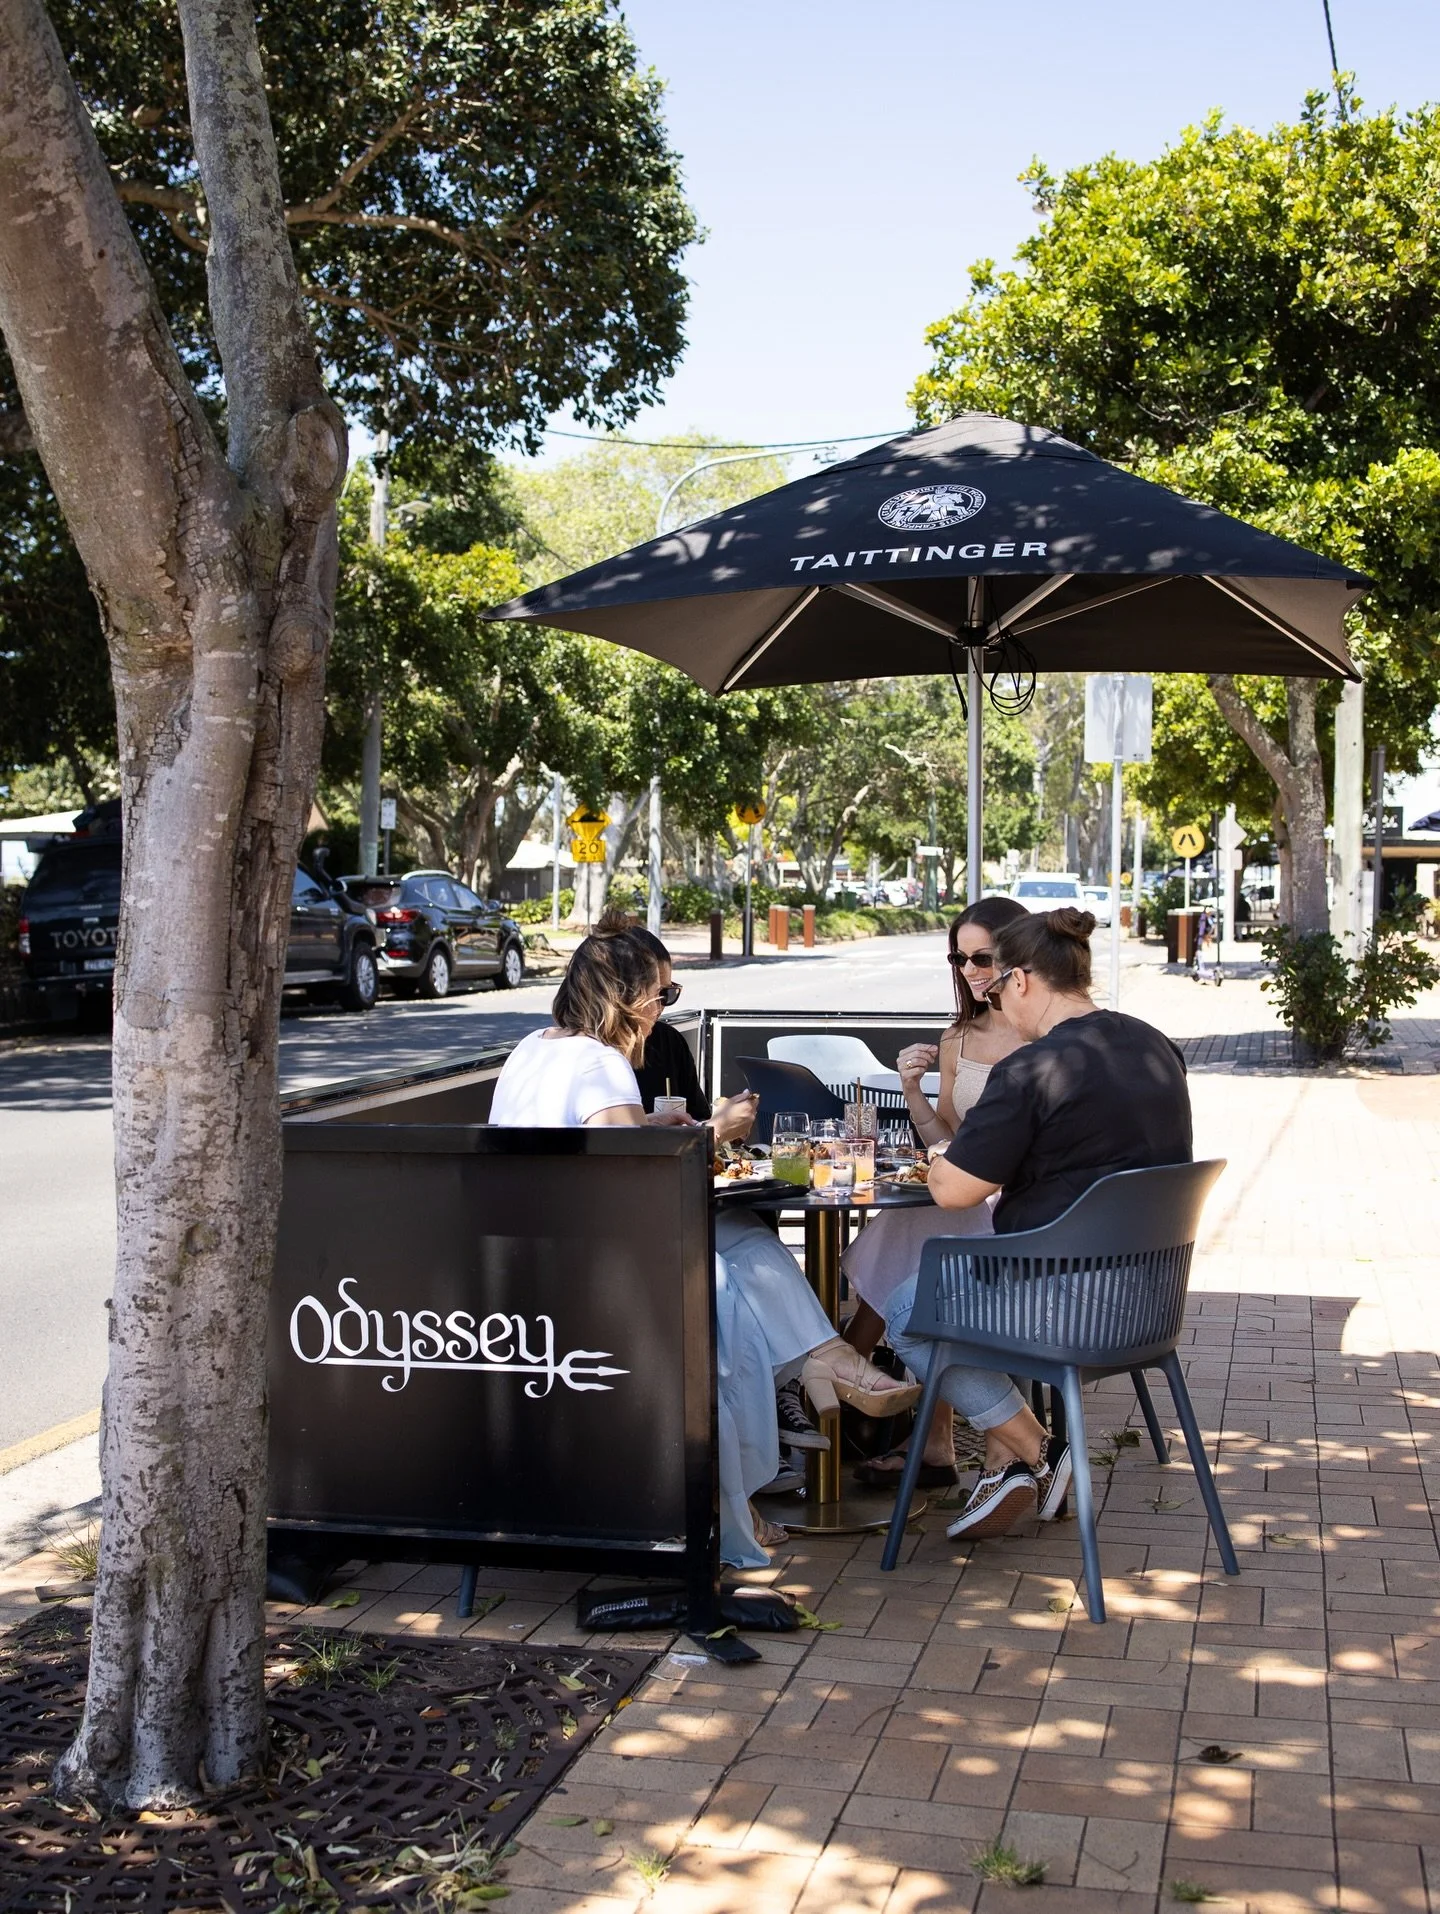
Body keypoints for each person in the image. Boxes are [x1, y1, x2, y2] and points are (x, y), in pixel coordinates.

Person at [489, 913, 917, 1567]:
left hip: (532, 1253)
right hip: (593, 1269)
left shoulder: (534, 1048)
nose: (665, 1008)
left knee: (741, 1234)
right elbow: (641, 1183)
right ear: (627, 996)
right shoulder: (601, 1063)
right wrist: (712, 1131)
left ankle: (824, 1358)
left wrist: (679, 1133)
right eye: (664, 993)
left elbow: (617, 1165)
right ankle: (744, 1483)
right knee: (731, 1293)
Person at [883, 906, 1193, 1542]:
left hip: (1069, 1306)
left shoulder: (1029, 1068)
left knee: (907, 1309)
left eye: (996, 988)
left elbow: (955, 1192)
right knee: (951, 1287)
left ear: (1020, 982)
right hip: (1153, 1305)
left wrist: (943, 1153)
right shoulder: (1152, 1044)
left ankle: (1035, 1450)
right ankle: (1031, 1460)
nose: (996, 1002)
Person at [841, 896, 1030, 1489]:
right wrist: (911, 1089)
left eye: (983, 957)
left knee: (928, 1229)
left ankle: (845, 1372)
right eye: (960, 958)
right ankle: (917, 1426)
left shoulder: (1042, 1036)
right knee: (920, 1225)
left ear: (1018, 959)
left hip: (1017, 1205)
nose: (971, 970)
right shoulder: (959, 1037)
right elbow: (945, 1136)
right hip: (961, 1191)